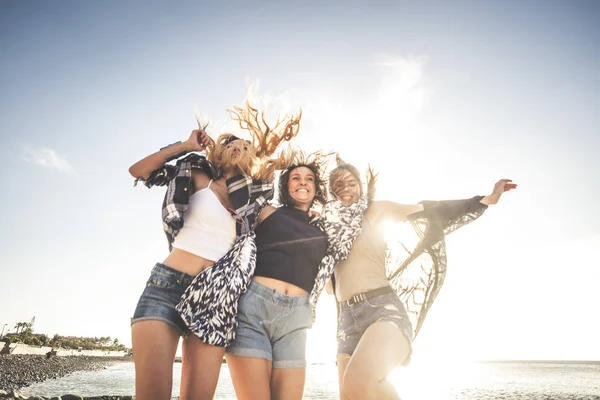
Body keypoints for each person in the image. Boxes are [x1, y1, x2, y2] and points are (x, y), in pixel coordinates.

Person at [128, 101, 300, 400]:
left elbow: (285, 223)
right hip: (166, 286)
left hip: (216, 301)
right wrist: (184, 145)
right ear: (219, 150)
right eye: (231, 143)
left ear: (251, 158)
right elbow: (139, 171)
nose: (238, 148)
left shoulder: (254, 197)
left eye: (246, 147)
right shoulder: (194, 173)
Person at [313, 159, 517, 400]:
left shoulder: (375, 210)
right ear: (330, 191)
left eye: (351, 182)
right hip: (345, 322)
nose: (345, 188)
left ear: (360, 185)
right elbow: (329, 287)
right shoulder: (328, 227)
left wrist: (485, 199)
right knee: (349, 395)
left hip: (381, 309)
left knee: (359, 384)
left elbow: (431, 209)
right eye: (338, 185)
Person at [224, 154, 329, 400]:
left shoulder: (323, 228)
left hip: (296, 320)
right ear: (285, 185)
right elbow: (238, 187)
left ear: (316, 188)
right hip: (253, 311)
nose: (302, 183)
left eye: (309, 179)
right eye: (295, 178)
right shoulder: (267, 211)